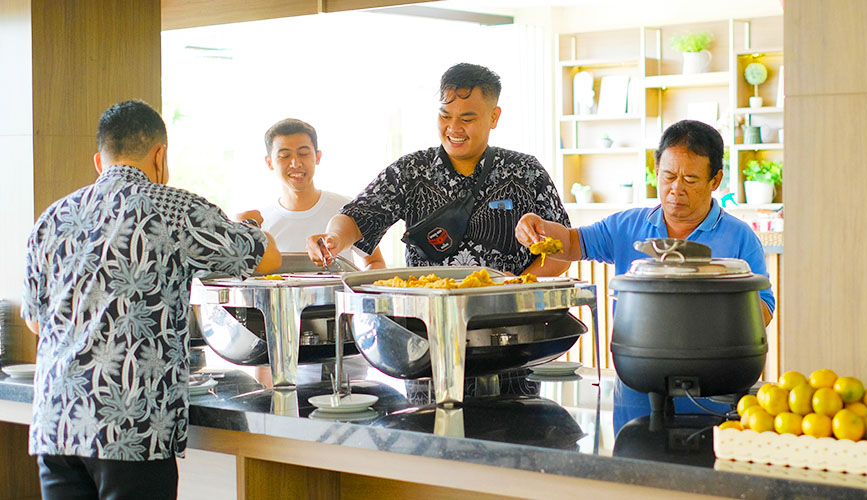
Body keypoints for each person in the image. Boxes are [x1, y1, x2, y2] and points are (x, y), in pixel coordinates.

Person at [21, 100, 281, 500]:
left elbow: (36, 322)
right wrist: (247, 224)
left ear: (99, 161)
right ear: (160, 155)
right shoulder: (173, 208)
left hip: (57, 424)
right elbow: (268, 258)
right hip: (131, 427)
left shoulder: (52, 218)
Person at [514, 119, 775, 427]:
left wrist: (707, 314)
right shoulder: (628, 226)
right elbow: (571, 243)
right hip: (637, 386)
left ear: (715, 179)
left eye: (690, 179)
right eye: (668, 176)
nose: (676, 189)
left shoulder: (740, 237)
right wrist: (538, 229)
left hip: (715, 392)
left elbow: (764, 308)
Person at [307, 63, 571, 277]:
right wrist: (333, 238)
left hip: (508, 315)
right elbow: (357, 216)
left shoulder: (526, 172)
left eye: (467, 119)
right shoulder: (411, 171)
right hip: (428, 314)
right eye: (445, 116)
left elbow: (563, 250)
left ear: (494, 116)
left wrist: (519, 284)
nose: (453, 128)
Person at [235, 118, 385, 270]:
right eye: (285, 156)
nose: (295, 163)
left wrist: (356, 284)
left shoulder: (347, 211)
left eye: (303, 153)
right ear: (269, 163)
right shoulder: (260, 223)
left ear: (317, 157)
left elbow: (375, 263)